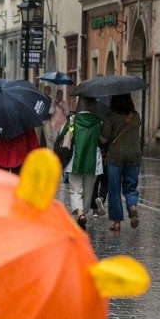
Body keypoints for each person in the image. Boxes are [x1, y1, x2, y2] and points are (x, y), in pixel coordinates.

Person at [58, 97, 103, 230]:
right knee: (88, 192)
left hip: (74, 161)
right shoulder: (98, 122)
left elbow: (62, 136)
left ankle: (80, 213)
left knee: (75, 190)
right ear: (94, 106)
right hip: (93, 162)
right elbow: (102, 138)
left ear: (82, 105)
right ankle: (84, 212)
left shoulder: (73, 120)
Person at [99, 94, 143, 232]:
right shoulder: (135, 116)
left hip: (116, 157)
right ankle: (132, 207)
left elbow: (105, 138)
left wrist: (98, 136)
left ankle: (117, 222)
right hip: (134, 156)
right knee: (130, 187)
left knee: (114, 188)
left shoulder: (110, 116)